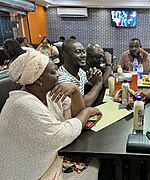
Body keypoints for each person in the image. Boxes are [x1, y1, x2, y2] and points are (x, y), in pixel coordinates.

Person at [0, 50, 102, 179]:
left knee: (93, 159)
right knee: (92, 165)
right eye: (53, 72)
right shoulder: (22, 104)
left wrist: (75, 91)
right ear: (38, 81)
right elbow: (62, 134)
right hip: (29, 171)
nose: (59, 75)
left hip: (46, 158)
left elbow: (75, 114)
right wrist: (88, 111)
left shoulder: (48, 94)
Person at [58, 39, 103, 107]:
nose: (83, 55)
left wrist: (96, 77)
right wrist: (98, 84)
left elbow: (88, 83)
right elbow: (81, 104)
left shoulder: (79, 71)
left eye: (83, 52)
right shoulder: (61, 78)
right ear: (65, 54)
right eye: (78, 52)